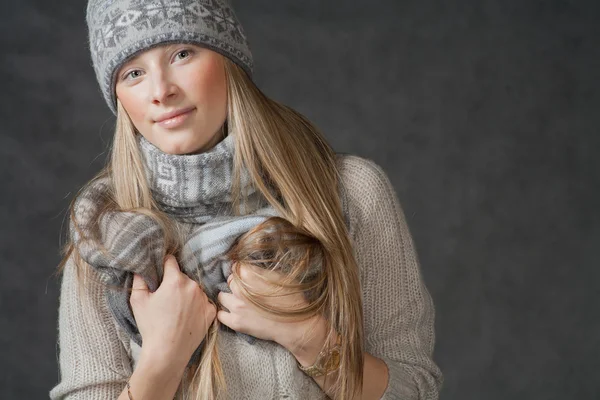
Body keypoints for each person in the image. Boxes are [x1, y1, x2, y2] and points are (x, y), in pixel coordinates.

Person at [49, 0, 444, 399]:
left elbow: (415, 389)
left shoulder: (350, 191)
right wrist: (163, 358)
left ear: (228, 58)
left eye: (182, 53)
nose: (161, 90)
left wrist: (306, 335)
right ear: (118, 97)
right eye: (133, 73)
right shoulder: (104, 231)